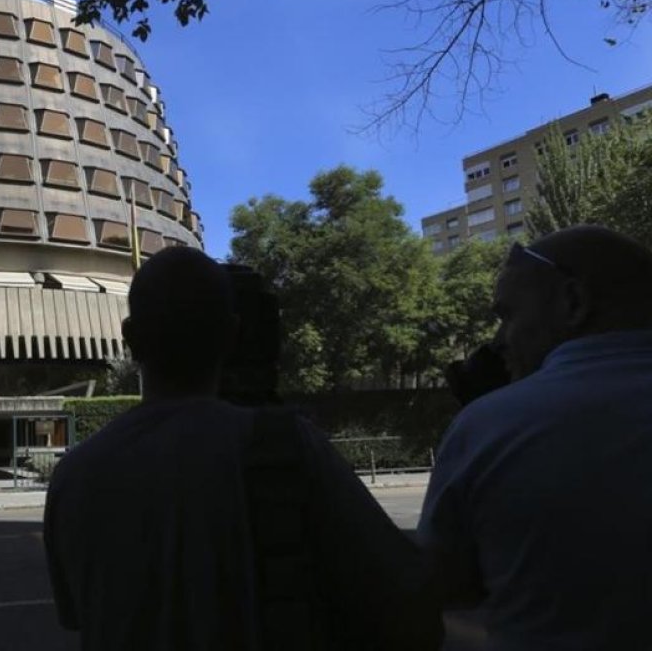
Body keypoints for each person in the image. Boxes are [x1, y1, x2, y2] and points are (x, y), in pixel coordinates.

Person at [44, 247, 442, 650]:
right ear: (232, 334)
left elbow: (74, 614)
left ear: (129, 337)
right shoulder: (285, 447)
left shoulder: (74, 475)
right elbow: (409, 602)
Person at [419, 226, 652, 650]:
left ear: (574, 302)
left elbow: (445, 585)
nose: (498, 342)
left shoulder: (487, 425)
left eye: (508, 316)